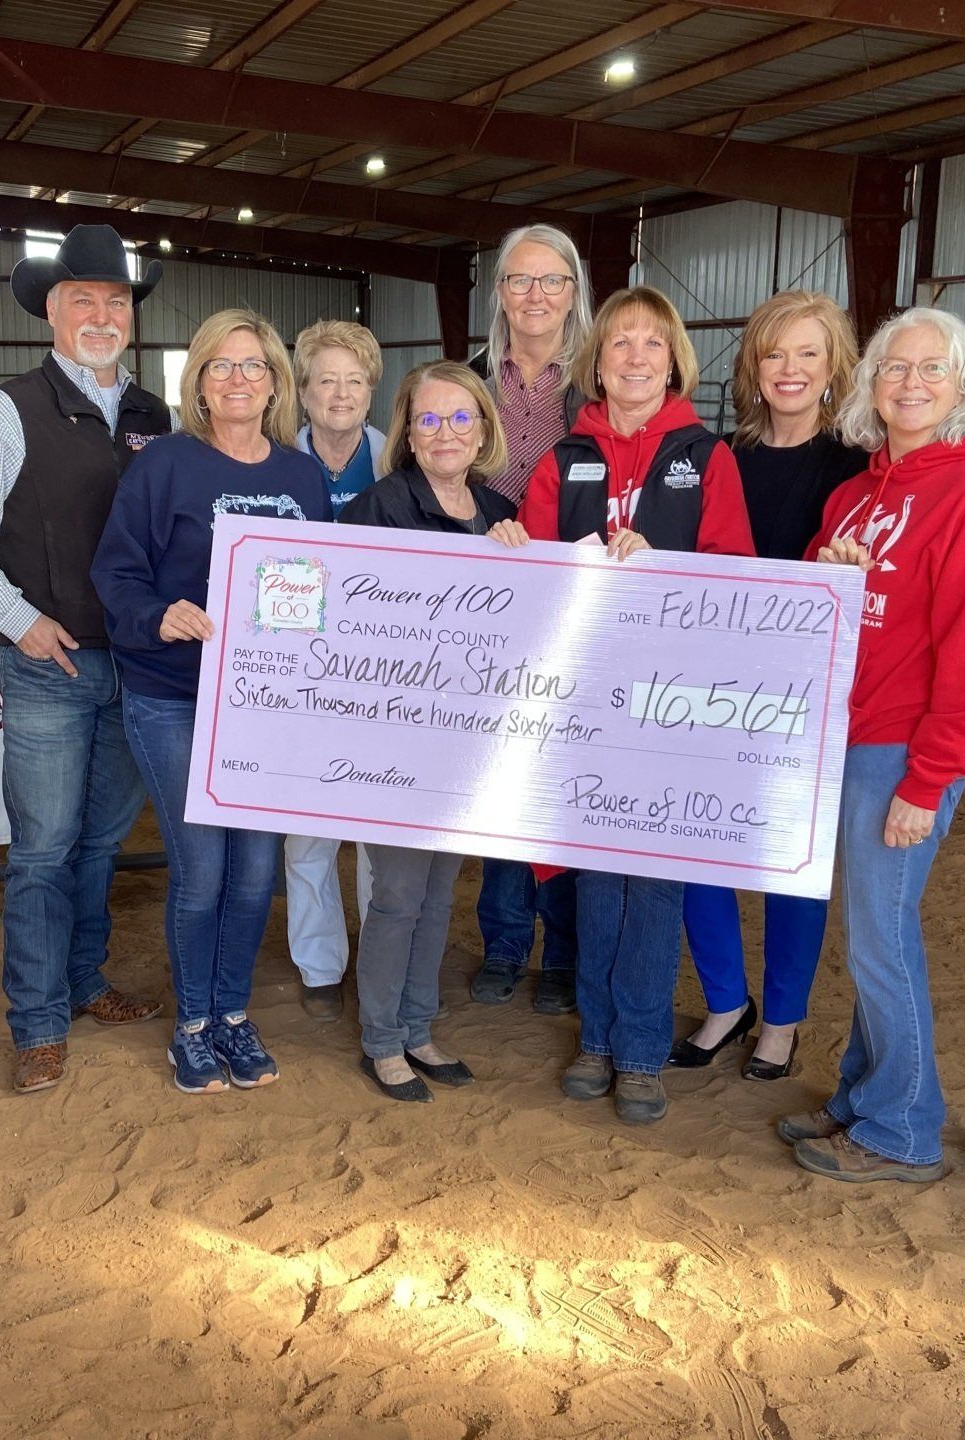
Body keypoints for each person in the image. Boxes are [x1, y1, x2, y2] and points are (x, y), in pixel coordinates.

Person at [780, 307, 965, 1183]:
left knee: (883, 935)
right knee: (868, 932)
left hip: (904, 750)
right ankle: (863, 1095)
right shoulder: (857, 495)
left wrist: (931, 778)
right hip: (851, 737)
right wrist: (826, 566)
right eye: (895, 368)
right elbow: (823, 607)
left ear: (964, 386)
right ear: (871, 384)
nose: (911, 384)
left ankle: (904, 1129)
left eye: (933, 370)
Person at [496, 284, 754, 1125]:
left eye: (652, 344)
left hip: (674, 710)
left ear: (674, 359)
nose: (635, 357)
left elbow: (736, 580)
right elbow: (528, 582)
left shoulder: (706, 457)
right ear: (595, 363)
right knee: (599, 881)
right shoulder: (562, 460)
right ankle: (597, 1039)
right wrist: (509, 549)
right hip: (585, 707)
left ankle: (641, 1051)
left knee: (657, 886)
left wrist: (663, 567)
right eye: (619, 345)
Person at [0, 223, 171, 1096]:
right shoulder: (4, 411)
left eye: (115, 301)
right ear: (52, 315)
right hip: (49, 667)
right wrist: (20, 621)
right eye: (83, 301)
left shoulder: (153, 416)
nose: (100, 315)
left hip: (135, 666)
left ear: (129, 318)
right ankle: (35, 1022)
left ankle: (82, 980)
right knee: (43, 847)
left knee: (99, 841)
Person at [90, 309, 331, 1096]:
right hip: (173, 697)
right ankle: (192, 1024)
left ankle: (233, 1014)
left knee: (257, 872)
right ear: (197, 380)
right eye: (221, 367)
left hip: (264, 707)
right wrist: (158, 616)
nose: (238, 380)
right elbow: (116, 573)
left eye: (253, 367)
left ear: (275, 383)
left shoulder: (300, 478)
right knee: (201, 871)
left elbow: (324, 587)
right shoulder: (163, 467)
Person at [673, 291, 867, 1081]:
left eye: (808, 354)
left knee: (792, 859)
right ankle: (727, 1001)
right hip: (711, 686)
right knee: (694, 846)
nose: (789, 369)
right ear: (753, 365)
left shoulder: (857, 468)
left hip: (803, 693)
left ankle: (781, 1018)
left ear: (833, 369)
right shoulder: (721, 459)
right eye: (774, 353)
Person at [338, 360, 521, 1102]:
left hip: (467, 744)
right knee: (399, 893)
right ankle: (382, 1038)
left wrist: (523, 558)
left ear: (482, 430)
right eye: (428, 419)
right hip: (395, 741)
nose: (445, 433)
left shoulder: (500, 510)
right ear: (408, 433)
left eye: (460, 418)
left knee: (442, 890)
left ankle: (417, 1026)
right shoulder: (376, 508)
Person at [466, 223, 595, 1013]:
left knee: (566, 781)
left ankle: (564, 950)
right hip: (489, 603)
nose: (536, 295)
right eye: (521, 280)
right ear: (501, 294)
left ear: (574, 292)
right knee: (499, 780)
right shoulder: (473, 379)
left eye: (552, 280)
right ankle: (505, 939)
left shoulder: (600, 382)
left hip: (573, 602)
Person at [284, 320, 389, 1020]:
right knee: (308, 827)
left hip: (381, 670)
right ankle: (320, 966)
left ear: (371, 389)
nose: (340, 393)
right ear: (303, 390)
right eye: (326, 379)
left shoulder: (398, 460)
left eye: (354, 380)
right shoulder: (272, 462)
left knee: (381, 827)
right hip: (299, 669)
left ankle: (383, 960)